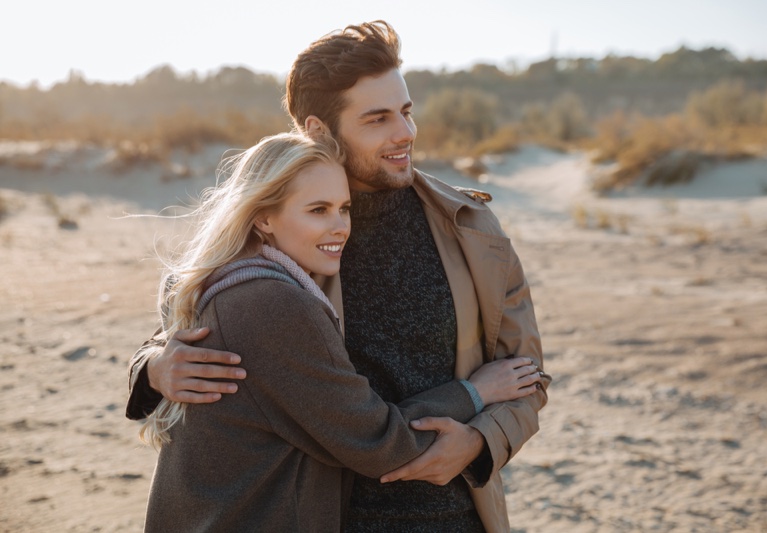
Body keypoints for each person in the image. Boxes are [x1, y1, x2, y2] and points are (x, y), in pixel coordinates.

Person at [128, 21, 551, 532]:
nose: (405, 133)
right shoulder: (280, 231)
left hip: (454, 514)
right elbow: (192, 318)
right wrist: (153, 367)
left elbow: (525, 375)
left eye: (407, 111)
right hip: (324, 515)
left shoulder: (470, 227)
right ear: (318, 130)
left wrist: (481, 441)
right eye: (377, 119)